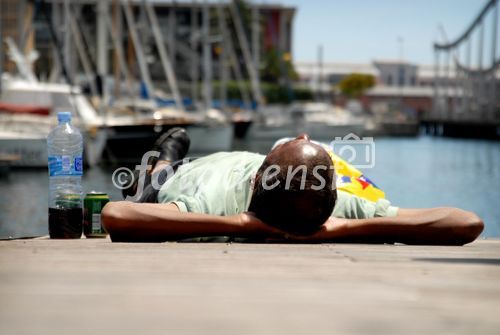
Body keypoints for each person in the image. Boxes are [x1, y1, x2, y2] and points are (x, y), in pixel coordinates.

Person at [102, 128, 484, 245]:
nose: (299, 135)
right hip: (226, 170)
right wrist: (346, 227)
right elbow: (467, 222)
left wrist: (239, 223)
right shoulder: (328, 204)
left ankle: (164, 155)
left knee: (151, 179)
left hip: (187, 175)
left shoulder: (210, 199)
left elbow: (117, 215)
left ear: (257, 178)